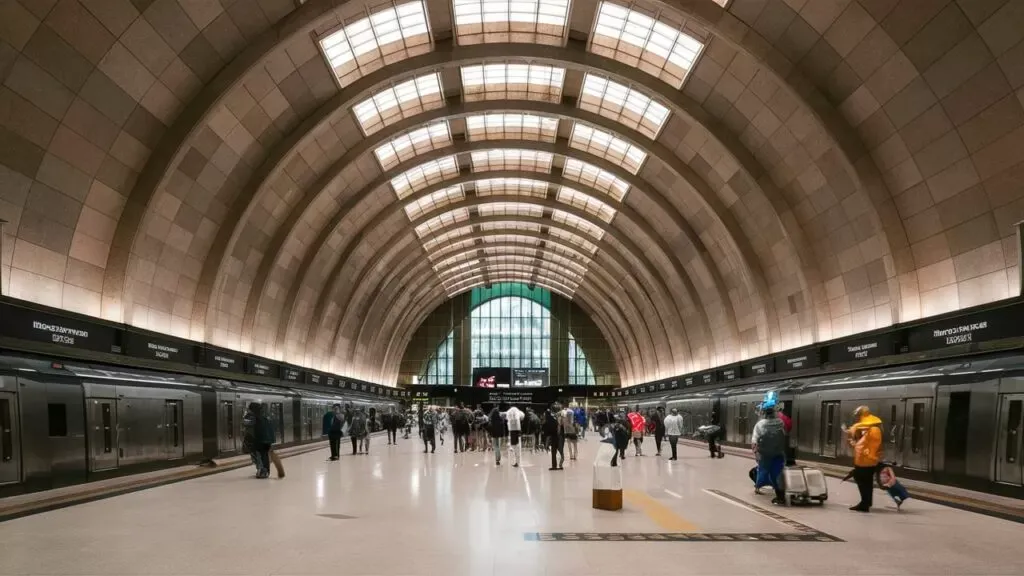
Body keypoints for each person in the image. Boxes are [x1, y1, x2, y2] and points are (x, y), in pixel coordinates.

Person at [846, 405, 882, 512]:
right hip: (865, 461)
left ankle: (864, 503)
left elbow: (869, 447)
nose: (858, 419)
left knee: (863, 481)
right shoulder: (869, 430)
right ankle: (866, 502)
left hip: (866, 462)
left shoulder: (874, 430)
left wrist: (856, 445)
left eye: (858, 416)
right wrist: (854, 442)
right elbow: (863, 445)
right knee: (866, 482)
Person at [751, 406, 787, 505]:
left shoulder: (760, 424)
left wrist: (755, 452)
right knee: (777, 474)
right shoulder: (780, 422)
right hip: (778, 453)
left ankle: (758, 487)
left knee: (764, 471)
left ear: (765, 414)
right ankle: (780, 496)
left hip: (765, 454)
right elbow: (785, 434)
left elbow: (754, 440)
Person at [253, 403, 275, 479]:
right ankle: (266, 471)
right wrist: (272, 440)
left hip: (261, 440)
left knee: (260, 456)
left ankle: (263, 471)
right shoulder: (268, 418)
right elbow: (271, 430)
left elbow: (258, 431)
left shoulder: (258, 419)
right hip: (267, 441)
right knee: (265, 455)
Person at [242, 403, 262, 476]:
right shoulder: (259, 416)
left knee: (256, 454)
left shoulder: (251, 416)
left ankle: (260, 469)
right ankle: (259, 469)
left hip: (253, 438)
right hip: (256, 438)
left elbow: (245, 423)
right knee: (256, 454)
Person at [543, 403, 563, 470]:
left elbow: (548, 434)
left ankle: (554, 466)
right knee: (560, 451)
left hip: (555, 436)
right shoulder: (556, 417)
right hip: (560, 436)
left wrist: (546, 444)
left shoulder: (549, 420)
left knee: (554, 451)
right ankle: (560, 465)